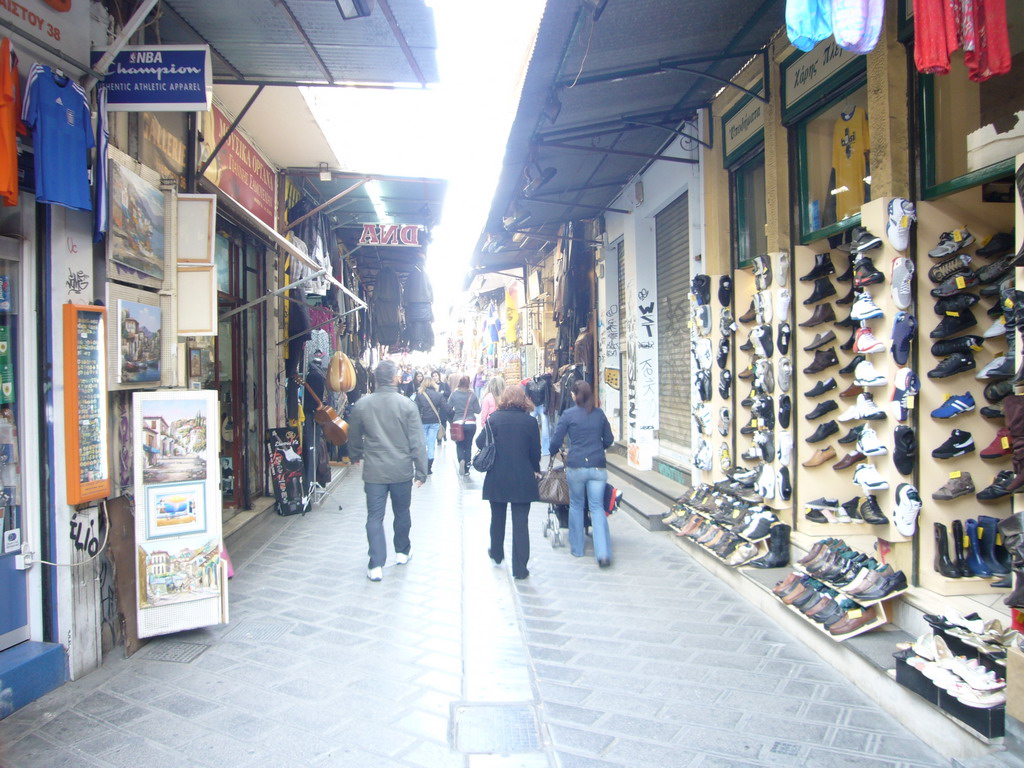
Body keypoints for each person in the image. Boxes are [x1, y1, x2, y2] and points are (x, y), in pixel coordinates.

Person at [347, 360, 428, 582]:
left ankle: (376, 564)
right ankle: (402, 551)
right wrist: (422, 472)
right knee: (402, 512)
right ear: (394, 379)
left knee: (374, 516)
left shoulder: (363, 405)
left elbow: (353, 434)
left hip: (374, 471)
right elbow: (417, 442)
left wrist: (355, 455)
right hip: (401, 470)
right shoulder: (406, 405)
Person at [477, 384, 540, 580]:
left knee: (497, 516)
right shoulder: (530, 422)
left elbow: (480, 442)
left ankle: (496, 553)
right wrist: (535, 469)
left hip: (498, 475)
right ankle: (520, 568)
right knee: (521, 523)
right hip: (523, 477)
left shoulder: (495, 419)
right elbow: (535, 452)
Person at [549, 381, 615, 567]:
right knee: (596, 507)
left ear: (574, 395)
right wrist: (596, 448)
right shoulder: (599, 414)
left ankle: (577, 549)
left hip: (576, 465)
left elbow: (555, 441)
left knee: (577, 505)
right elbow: (609, 439)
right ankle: (602, 553)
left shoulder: (568, 415)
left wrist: (555, 450)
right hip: (597, 466)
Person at [414, 377, 450, 475]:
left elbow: (415, 409)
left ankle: (421, 465)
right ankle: (429, 467)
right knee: (431, 444)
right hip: (434, 421)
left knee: (422, 444)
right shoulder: (438, 395)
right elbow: (446, 408)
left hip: (423, 421)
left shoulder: (419, 395)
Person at [448, 376, 480, 475]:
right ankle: (466, 468)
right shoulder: (472, 395)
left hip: (458, 423)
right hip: (471, 423)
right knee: (468, 445)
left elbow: (449, 407)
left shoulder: (454, 394)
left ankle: (461, 459)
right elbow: (478, 411)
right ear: (468, 383)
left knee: (459, 445)